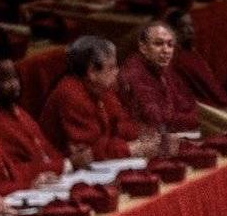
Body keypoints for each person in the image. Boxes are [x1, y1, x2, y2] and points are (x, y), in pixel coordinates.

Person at [39, 35, 156, 166]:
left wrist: (142, 136)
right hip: (64, 167)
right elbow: (90, 151)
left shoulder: (102, 88)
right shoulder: (70, 94)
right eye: (111, 68)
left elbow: (120, 123)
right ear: (92, 72)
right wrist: (131, 149)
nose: (117, 72)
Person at [0, 57, 65, 179]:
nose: (14, 84)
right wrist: (65, 165)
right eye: (5, 79)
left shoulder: (20, 112)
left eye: (15, 77)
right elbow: (15, 170)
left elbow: (47, 150)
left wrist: (65, 162)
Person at [117, 19, 200, 134]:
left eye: (170, 45)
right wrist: (191, 119)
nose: (166, 50)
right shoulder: (133, 73)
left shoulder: (163, 69)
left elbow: (187, 104)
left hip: (172, 132)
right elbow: (156, 120)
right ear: (143, 48)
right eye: (158, 43)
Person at [162, 8, 227, 107]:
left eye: (191, 25)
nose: (191, 30)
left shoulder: (192, 54)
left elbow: (212, 87)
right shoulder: (175, 61)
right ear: (173, 30)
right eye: (183, 26)